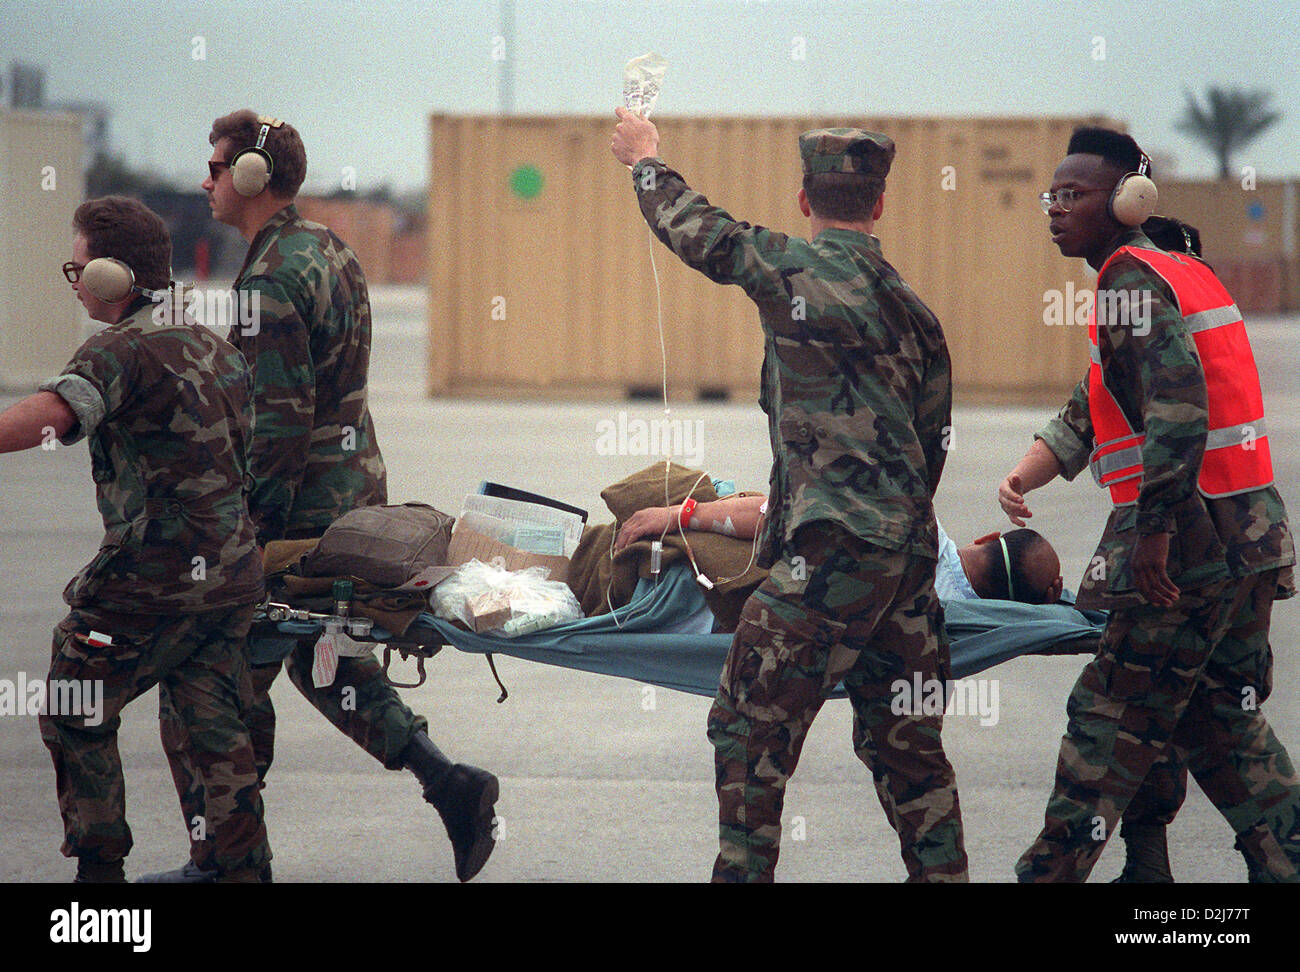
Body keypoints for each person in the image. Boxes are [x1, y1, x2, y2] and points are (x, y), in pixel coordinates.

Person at [611, 111, 968, 882]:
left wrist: (644, 159)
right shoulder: (918, 316)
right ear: (879, 204)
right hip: (905, 561)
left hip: (832, 558)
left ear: (805, 200)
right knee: (910, 752)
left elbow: (698, 232)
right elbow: (934, 442)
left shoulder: (790, 270)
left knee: (747, 726)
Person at [146, 110, 497, 883]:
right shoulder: (327, 247)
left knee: (208, 679)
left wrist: (244, 538)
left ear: (248, 178)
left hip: (295, 511)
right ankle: (449, 782)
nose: (204, 182)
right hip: (350, 491)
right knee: (321, 659)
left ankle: (226, 859)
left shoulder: (269, 280)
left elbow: (279, 424)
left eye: (215, 168)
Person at [1001, 126, 1300, 882]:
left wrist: (1155, 532)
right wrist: (1037, 467)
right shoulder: (1179, 269)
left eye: (1075, 196)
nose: (1057, 209)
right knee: (1217, 716)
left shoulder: (1129, 280)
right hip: (1250, 537)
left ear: (1128, 201)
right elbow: (1106, 393)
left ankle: (1050, 874)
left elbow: (1177, 410)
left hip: (1189, 543)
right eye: (1052, 195)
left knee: (1108, 718)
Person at [0, 196, 271, 882]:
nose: (75, 280)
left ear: (113, 277)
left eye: (79, 266)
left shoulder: (122, 348)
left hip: (156, 578)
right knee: (212, 724)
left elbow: (52, 416)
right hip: (232, 573)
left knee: (73, 700)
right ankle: (240, 868)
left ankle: (101, 877)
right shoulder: (212, 343)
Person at [615, 493, 1064, 604]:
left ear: (987, 538)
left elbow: (777, 516)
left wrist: (680, 512)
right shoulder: (944, 616)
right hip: (708, 604)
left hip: (674, 583)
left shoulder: (904, 512)